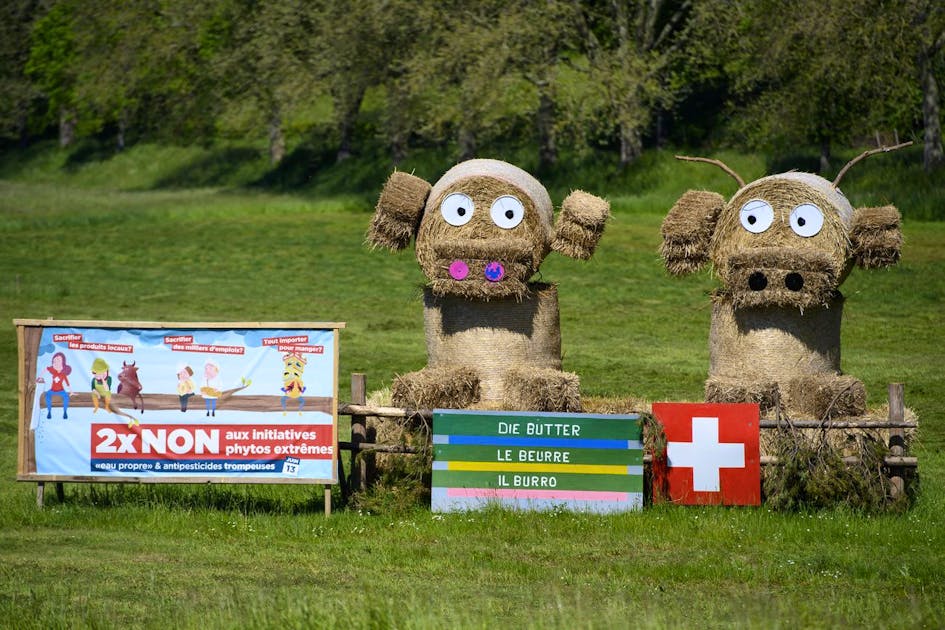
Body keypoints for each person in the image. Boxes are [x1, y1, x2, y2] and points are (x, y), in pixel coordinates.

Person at [37, 352, 73, 419]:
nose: (56, 363)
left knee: (66, 397)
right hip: (52, 390)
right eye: (54, 361)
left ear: (63, 363)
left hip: (61, 390)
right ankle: (49, 411)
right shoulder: (53, 371)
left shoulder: (63, 374)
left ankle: (65, 412)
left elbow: (67, 383)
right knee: (47, 395)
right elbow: (46, 369)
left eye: (58, 361)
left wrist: (71, 391)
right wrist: (39, 378)